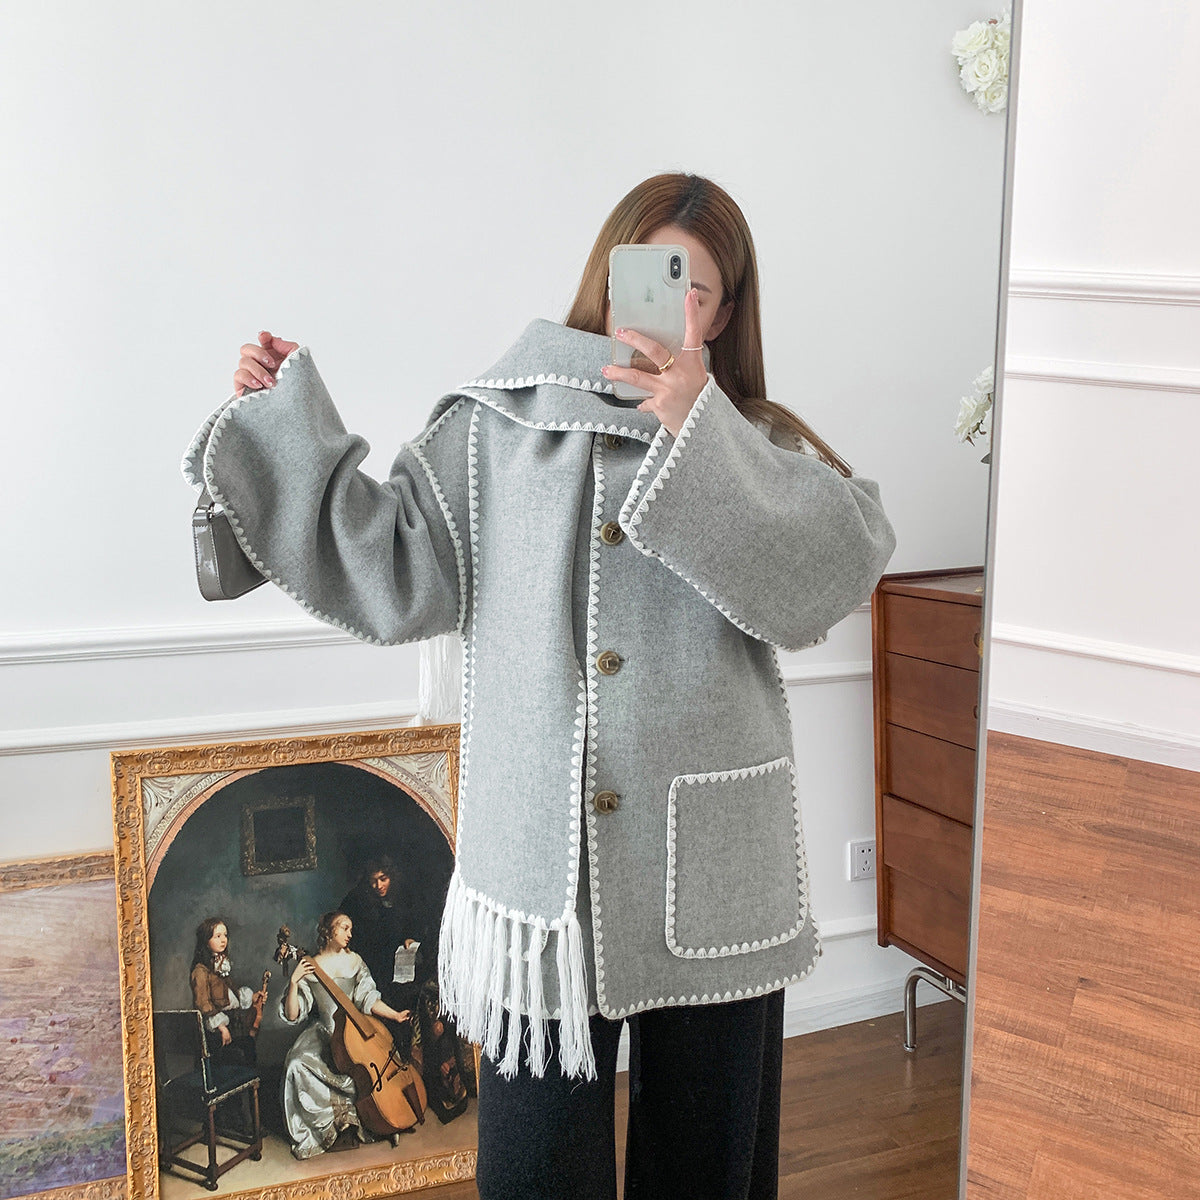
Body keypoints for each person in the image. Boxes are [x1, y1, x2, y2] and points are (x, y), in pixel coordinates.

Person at [183, 172, 896, 1198]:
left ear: (724, 313)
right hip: (535, 897)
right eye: (648, 273)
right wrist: (284, 421)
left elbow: (833, 567)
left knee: (705, 1166)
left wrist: (703, 434)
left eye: (693, 287)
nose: (665, 303)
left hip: (713, 874)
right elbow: (392, 567)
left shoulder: (752, 440)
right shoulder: (496, 425)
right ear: (604, 277)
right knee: (534, 1171)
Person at [277, 911, 412, 1159]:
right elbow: (293, 1013)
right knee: (295, 1063)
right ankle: (331, 1129)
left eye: (351, 928)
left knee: (372, 1063)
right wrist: (294, 982)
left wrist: (394, 1015)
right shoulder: (311, 965)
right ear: (329, 932)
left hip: (356, 1032)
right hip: (324, 1032)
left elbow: (368, 998)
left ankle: (374, 1119)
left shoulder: (356, 961)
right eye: (344, 928)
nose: (350, 934)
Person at [337, 856, 432, 1063]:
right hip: (373, 965)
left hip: (400, 966)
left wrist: (410, 937)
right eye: (373, 881)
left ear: (391, 876)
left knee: (407, 1009)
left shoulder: (404, 896)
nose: (378, 885)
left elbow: (417, 925)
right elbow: (341, 926)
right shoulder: (357, 899)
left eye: (383, 879)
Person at [188, 917, 266, 1068]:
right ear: (206, 941)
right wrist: (221, 1027)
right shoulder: (200, 971)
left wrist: (252, 998)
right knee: (237, 1056)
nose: (223, 940)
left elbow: (230, 995)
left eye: (225, 935)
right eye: (217, 936)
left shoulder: (220, 967)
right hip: (215, 1032)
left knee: (249, 1046)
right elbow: (203, 1003)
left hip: (233, 1025)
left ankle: (249, 1079)